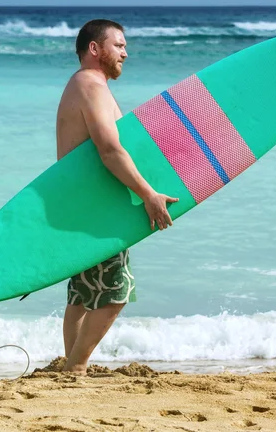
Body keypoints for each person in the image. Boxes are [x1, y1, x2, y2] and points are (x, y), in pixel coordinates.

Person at [55, 19, 179, 374]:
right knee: (116, 291)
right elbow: (109, 151)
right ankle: (76, 367)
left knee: (83, 293)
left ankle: (70, 364)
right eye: (119, 45)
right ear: (95, 49)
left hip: (82, 205)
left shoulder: (85, 85)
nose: (126, 52)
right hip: (95, 210)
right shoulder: (90, 86)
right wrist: (148, 194)